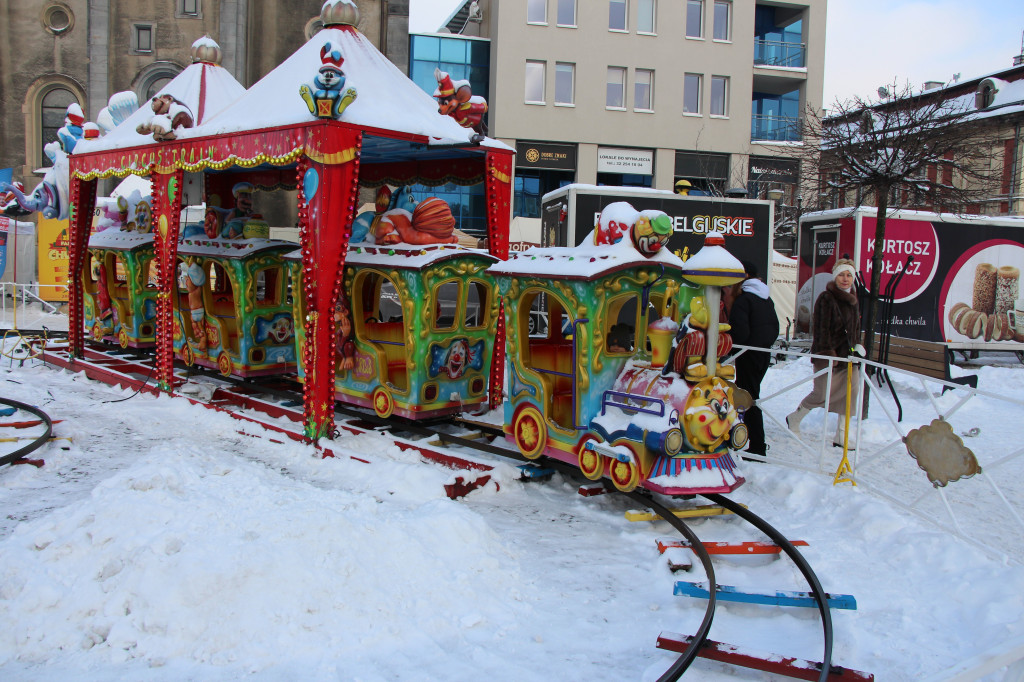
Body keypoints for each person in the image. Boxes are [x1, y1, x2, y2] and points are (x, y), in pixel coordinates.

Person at [787, 256, 862, 448]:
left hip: (849, 357)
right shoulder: (826, 298)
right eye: (841, 275)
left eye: (849, 275)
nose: (845, 279)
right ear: (835, 277)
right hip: (829, 356)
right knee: (821, 393)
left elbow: (854, 328)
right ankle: (795, 418)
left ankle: (842, 435)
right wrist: (828, 354)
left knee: (849, 396)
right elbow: (821, 329)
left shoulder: (853, 298)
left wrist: (858, 346)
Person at [727, 261, 779, 457]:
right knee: (747, 394)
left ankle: (757, 446)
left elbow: (739, 332)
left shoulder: (743, 300)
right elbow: (775, 328)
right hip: (763, 354)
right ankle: (739, 435)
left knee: (748, 399)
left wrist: (731, 350)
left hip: (747, 354)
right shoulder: (766, 298)